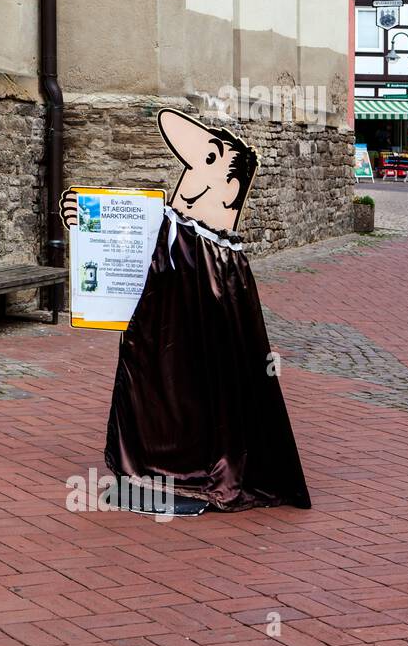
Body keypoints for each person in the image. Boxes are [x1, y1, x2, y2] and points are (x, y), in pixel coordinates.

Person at [62, 108, 311, 512]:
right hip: (163, 308)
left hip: (196, 282)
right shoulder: (171, 228)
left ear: (230, 192)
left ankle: (207, 462)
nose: (195, 171)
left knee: (210, 375)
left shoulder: (219, 259)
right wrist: (88, 220)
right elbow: (129, 235)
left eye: (210, 161)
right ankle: (155, 458)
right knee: (156, 373)